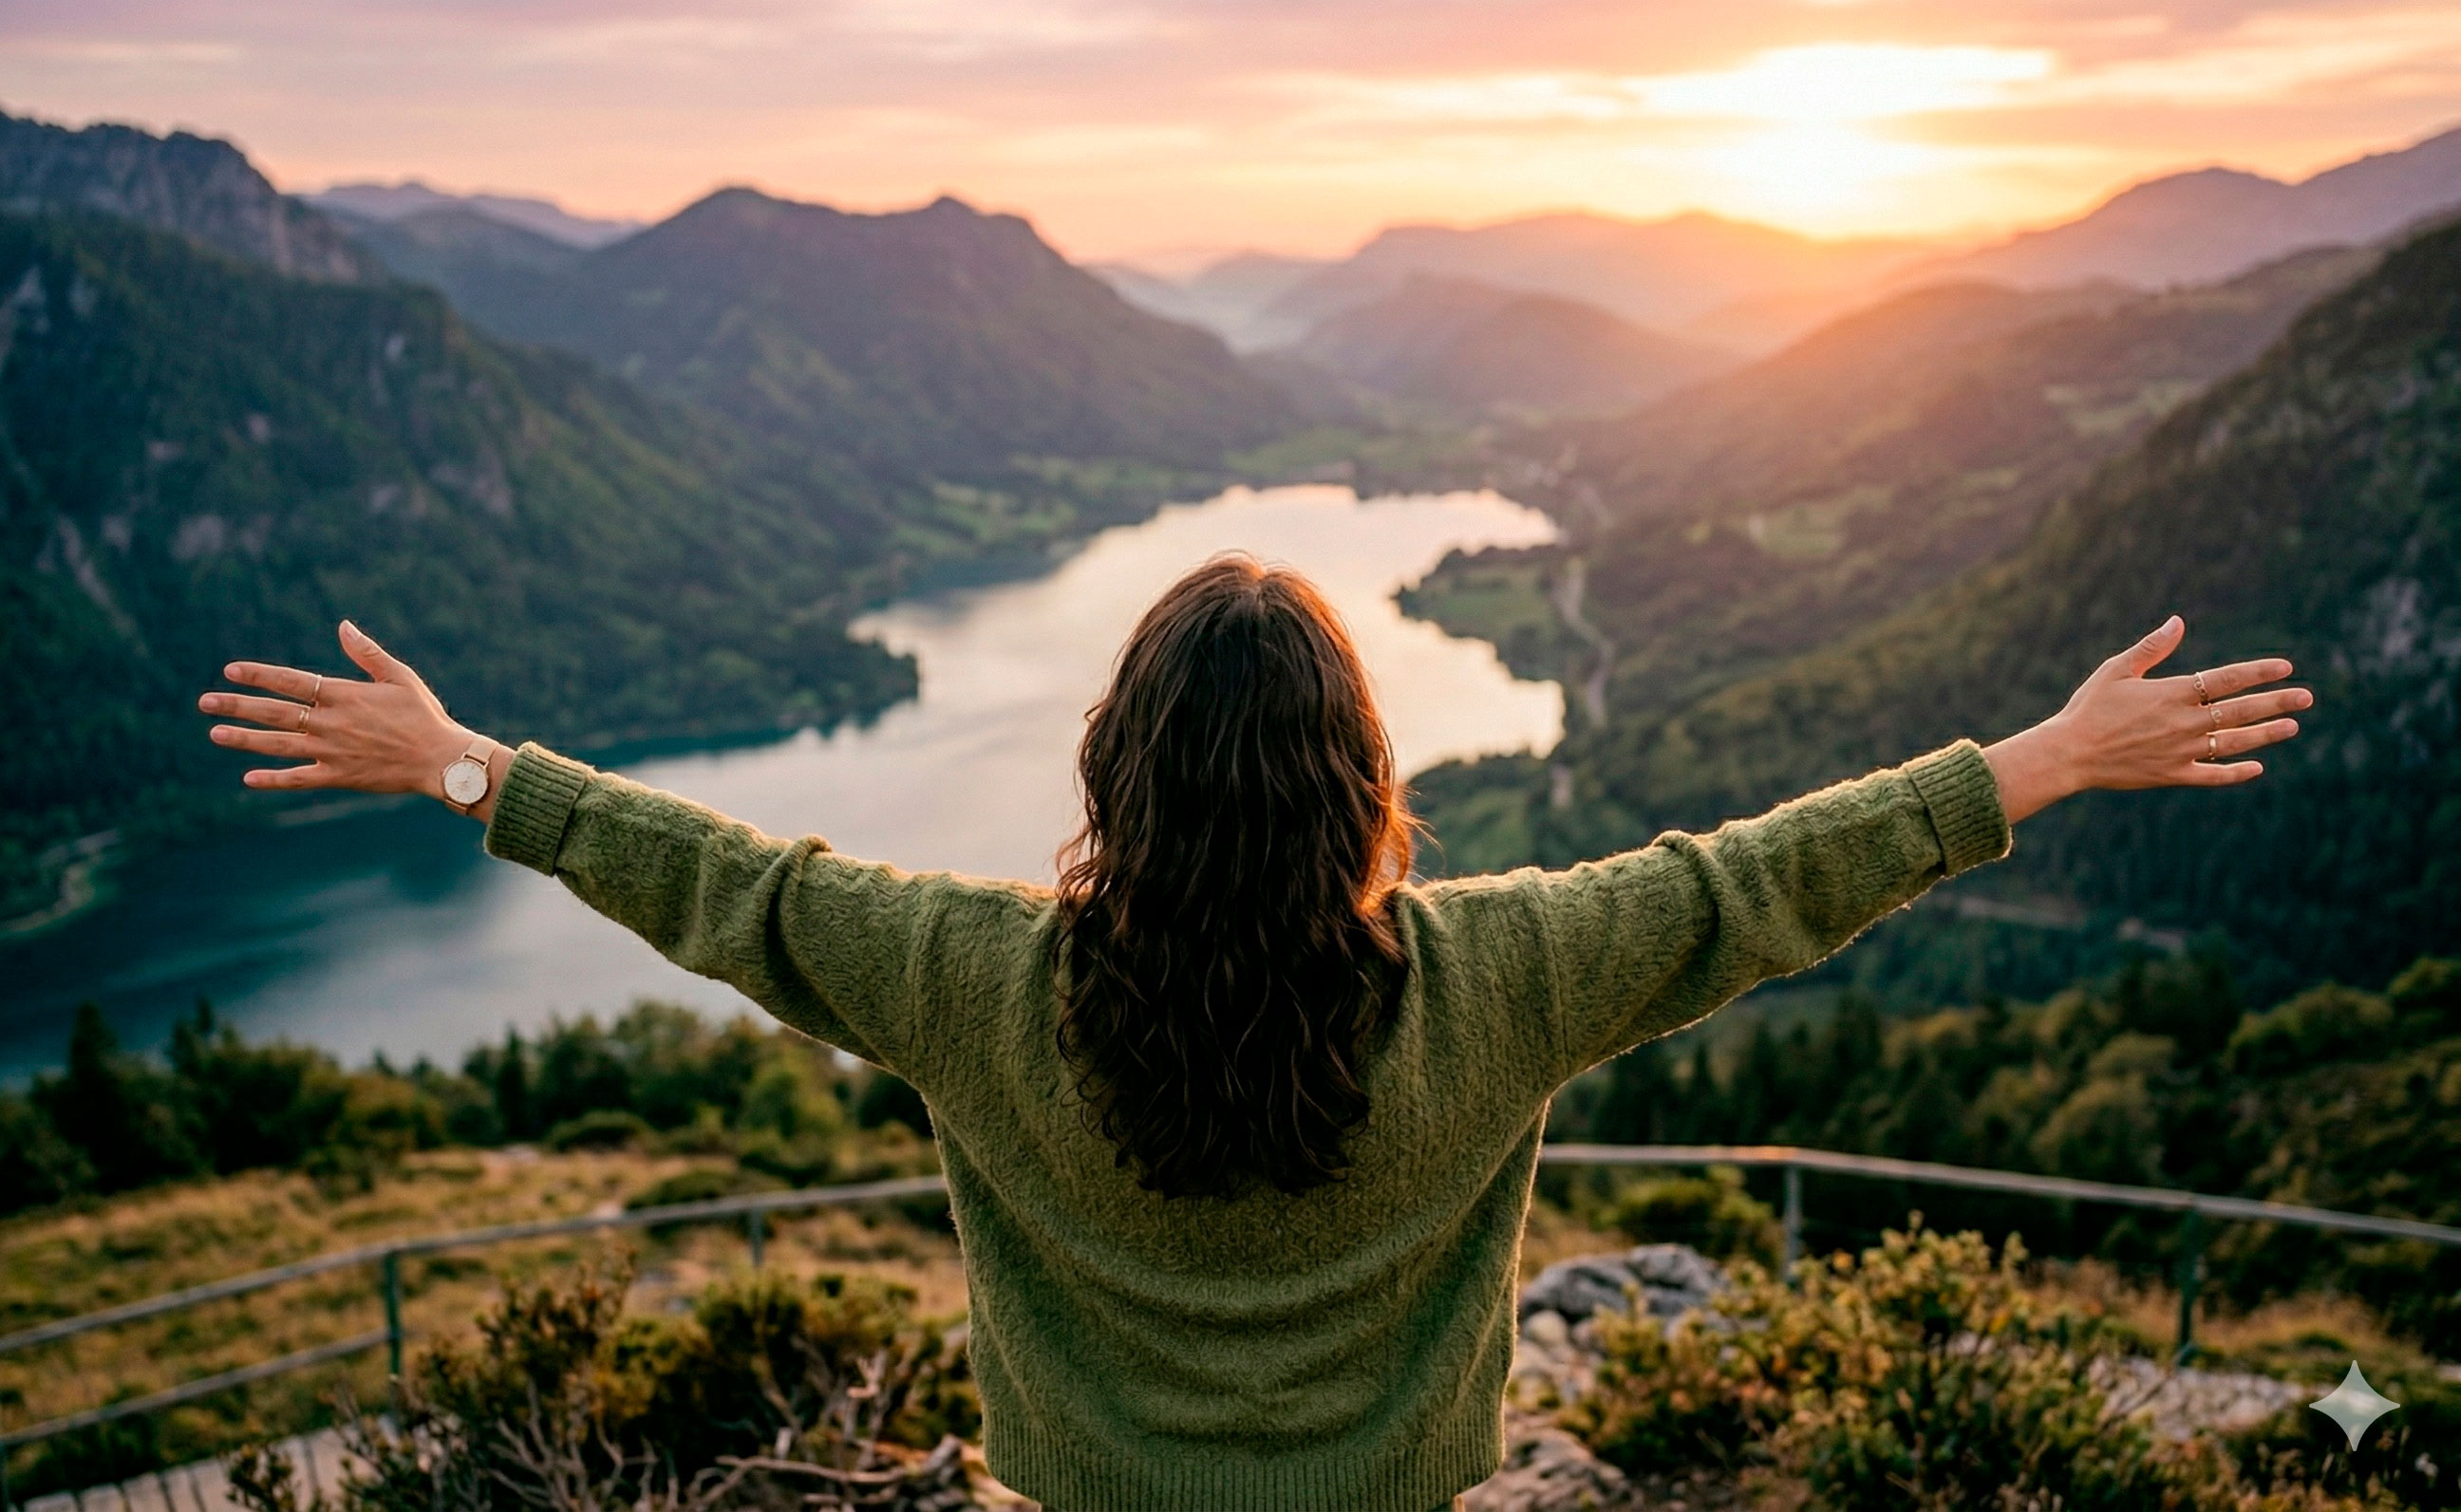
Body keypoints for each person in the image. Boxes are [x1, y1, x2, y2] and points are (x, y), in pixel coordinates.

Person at [199, 556, 2308, 1512]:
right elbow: (1766, 876)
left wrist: (468, 766)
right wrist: (2043, 756)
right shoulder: (1506, 971)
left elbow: (722, 883)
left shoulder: (968, 972)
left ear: (1116, 768)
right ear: (1362, 776)